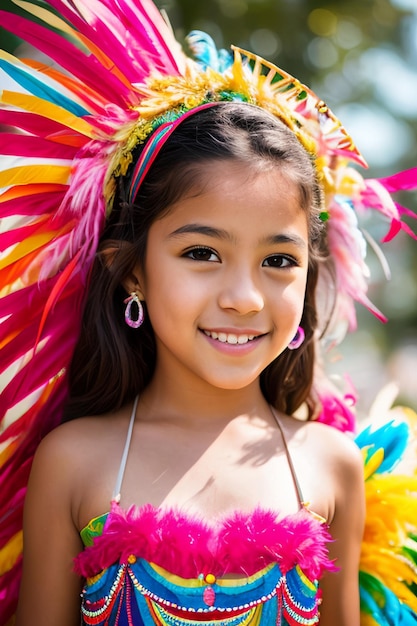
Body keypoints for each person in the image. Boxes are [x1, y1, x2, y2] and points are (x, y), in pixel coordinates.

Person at [0, 2, 415, 625]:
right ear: (132, 270)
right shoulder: (74, 460)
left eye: (279, 262)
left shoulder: (332, 465)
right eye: (202, 253)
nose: (244, 297)